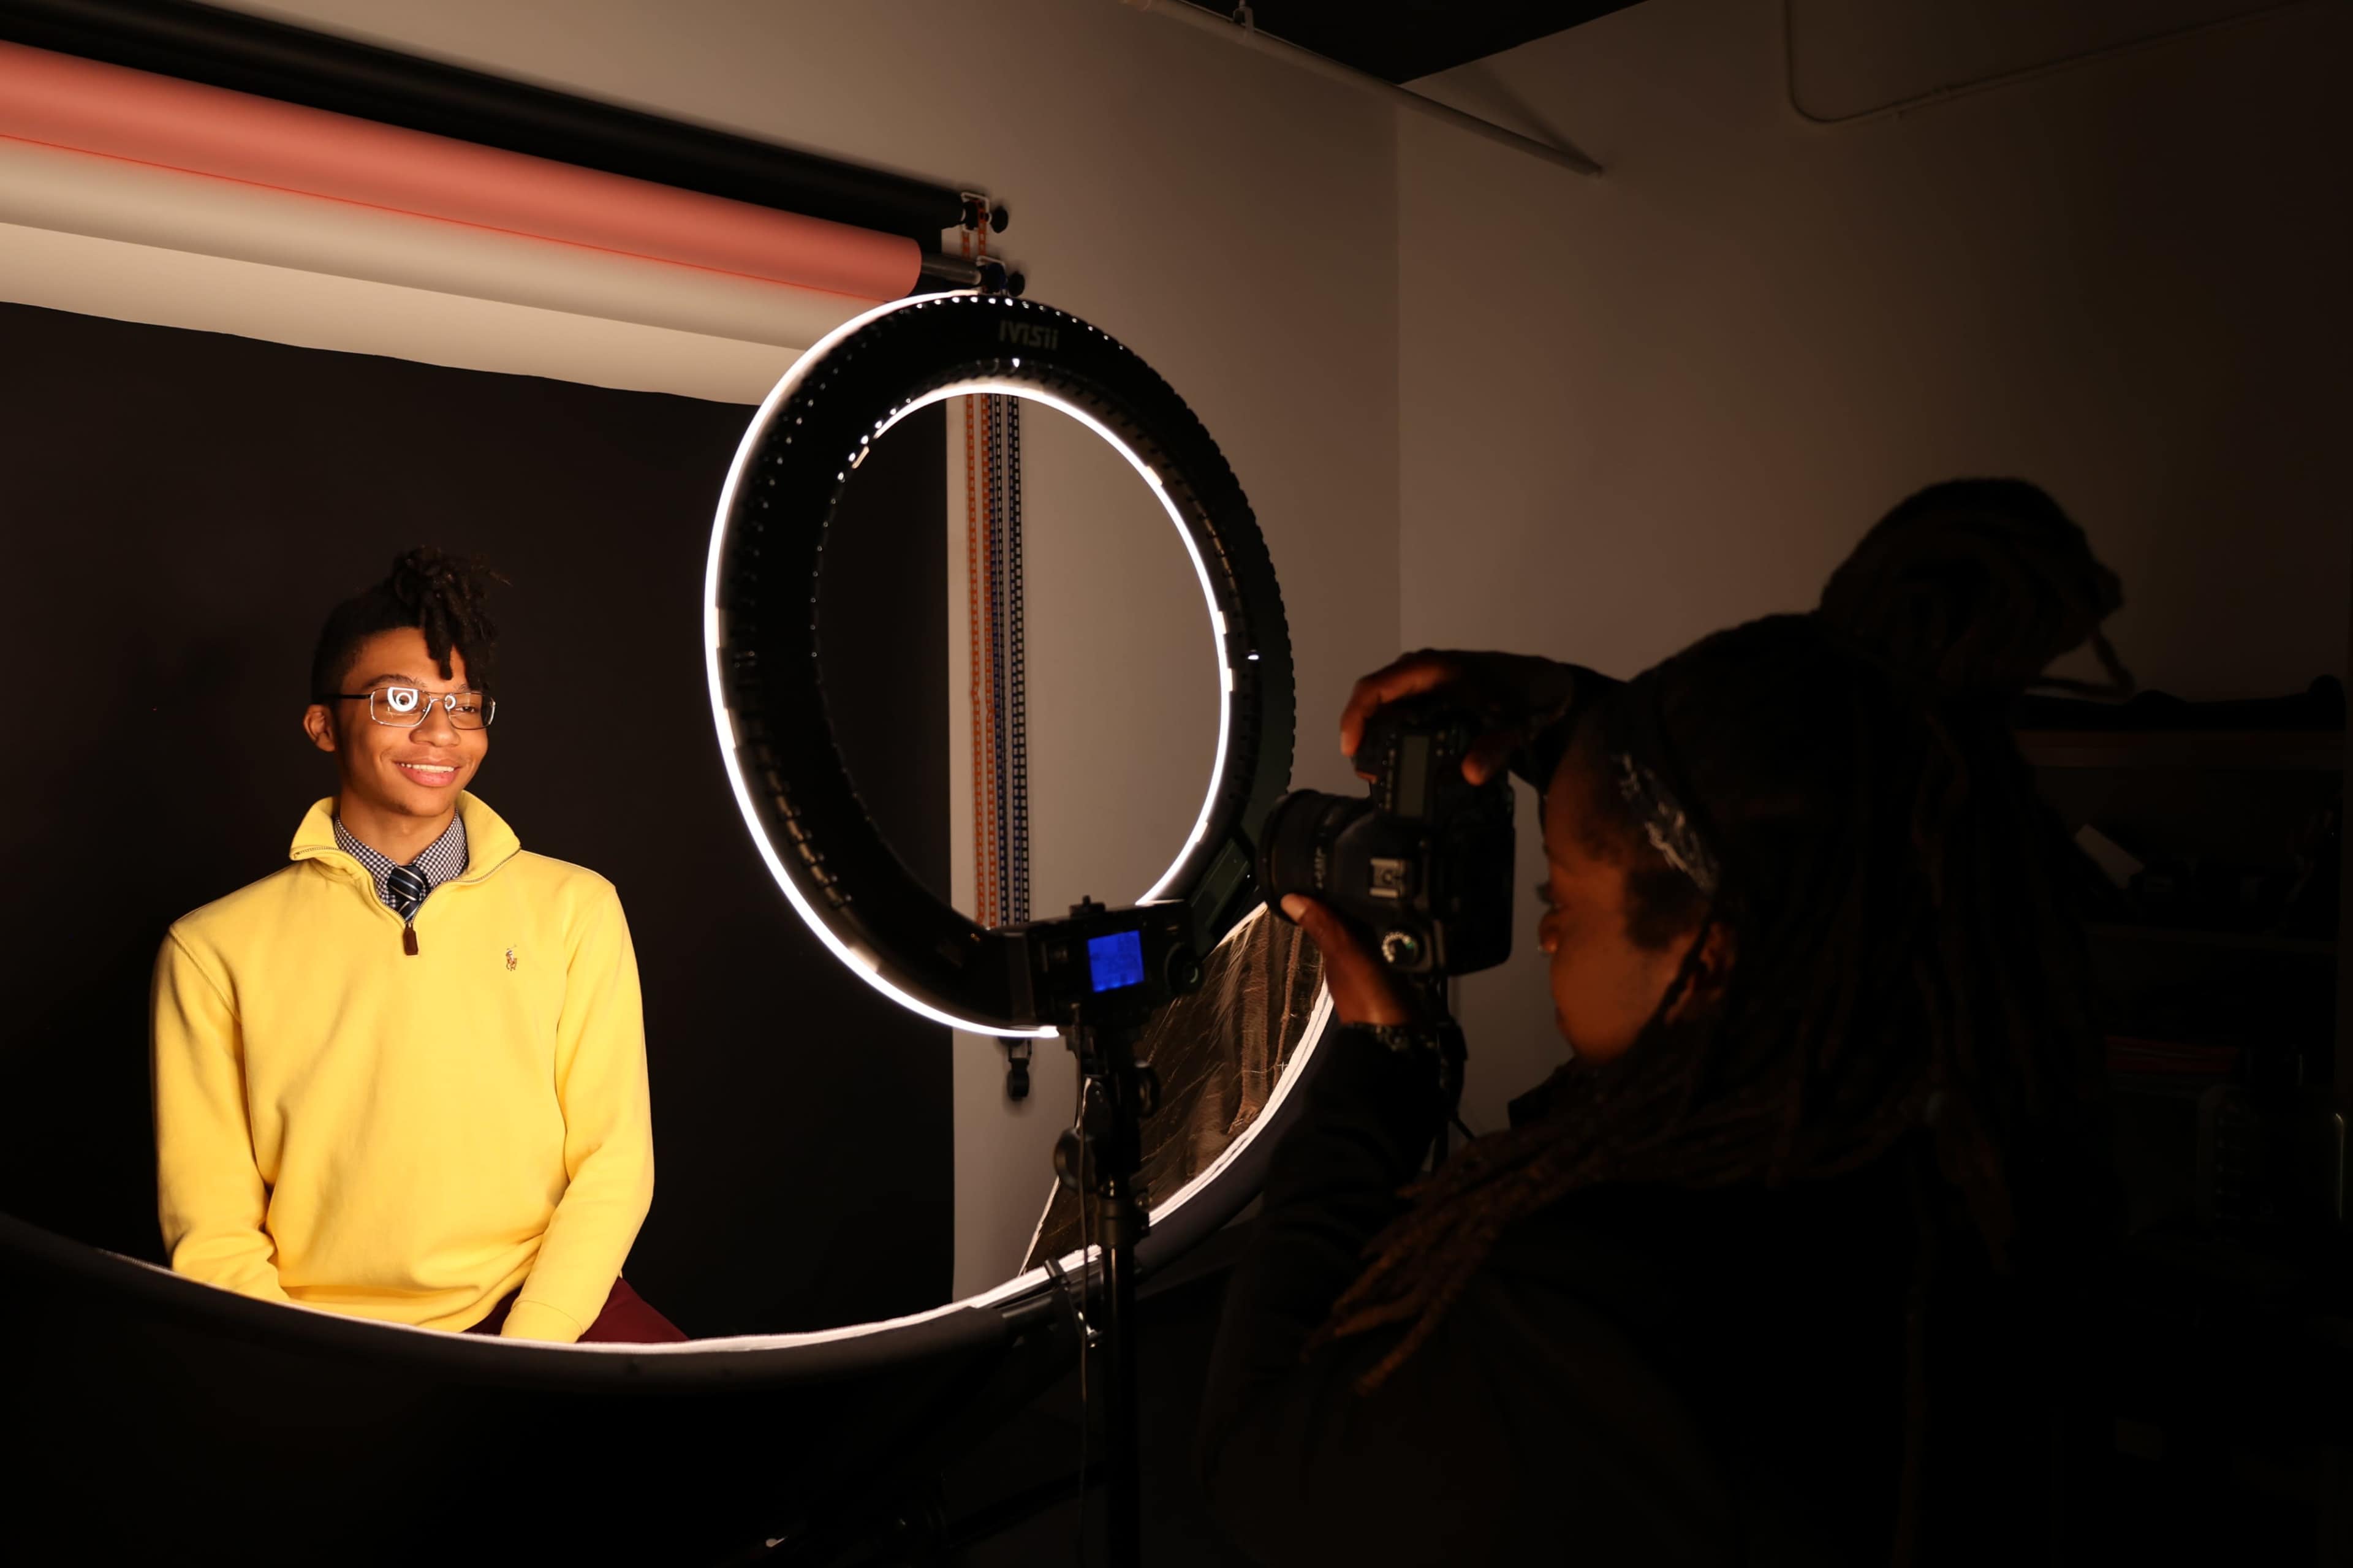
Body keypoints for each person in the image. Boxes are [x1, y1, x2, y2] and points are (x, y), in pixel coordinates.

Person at [1200, 480, 2126, 1564]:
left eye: (1565, 903)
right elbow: (1780, 811)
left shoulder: (1584, 1313)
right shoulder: (1962, 1156)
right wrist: (1557, 713)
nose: (1546, 939)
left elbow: (1259, 1469)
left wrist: (1381, 1072)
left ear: (1713, 957)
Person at [150, 549, 679, 1343]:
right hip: (323, 1335)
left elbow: (615, 1164)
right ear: (322, 724)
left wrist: (531, 1342)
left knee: (728, 1447)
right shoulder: (209, 951)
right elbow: (212, 1226)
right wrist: (298, 1359)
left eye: (466, 704)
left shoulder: (577, 908)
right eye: (402, 699)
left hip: (543, 1306)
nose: (441, 731)